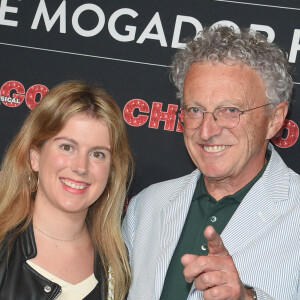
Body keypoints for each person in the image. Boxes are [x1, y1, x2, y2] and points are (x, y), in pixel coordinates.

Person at [122, 26, 300, 300]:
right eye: (195, 110)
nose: (206, 131)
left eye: (229, 110)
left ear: (275, 119)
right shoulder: (146, 207)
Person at [0, 81, 134, 300]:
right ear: (35, 157)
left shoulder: (117, 267)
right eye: (67, 147)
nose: (81, 167)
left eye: (97, 154)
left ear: (111, 171)